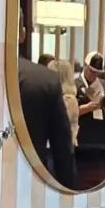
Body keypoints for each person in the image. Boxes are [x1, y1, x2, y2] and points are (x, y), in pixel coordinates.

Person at [16, 50, 78, 186]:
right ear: (22, 37)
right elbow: (62, 144)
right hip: (33, 177)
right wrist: (68, 189)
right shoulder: (44, 79)